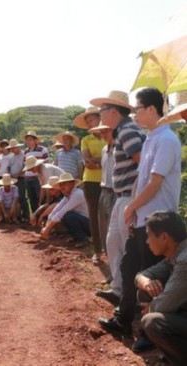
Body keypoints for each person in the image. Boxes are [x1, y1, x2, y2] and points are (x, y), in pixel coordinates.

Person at [101, 88, 182, 351]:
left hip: (158, 219)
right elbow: (141, 178)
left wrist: (133, 204)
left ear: (151, 109)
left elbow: (156, 183)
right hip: (141, 217)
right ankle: (123, 319)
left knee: (151, 277)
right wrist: (132, 208)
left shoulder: (167, 140)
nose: (134, 113)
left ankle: (149, 331)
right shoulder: (150, 139)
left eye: (138, 108)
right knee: (129, 268)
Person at [88, 91, 145, 336]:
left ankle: (130, 303)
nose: (100, 117)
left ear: (114, 111)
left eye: (102, 112)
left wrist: (135, 198)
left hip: (128, 197)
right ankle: (119, 289)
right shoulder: (123, 130)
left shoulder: (128, 130)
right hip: (121, 196)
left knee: (126, 248)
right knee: (113, 242)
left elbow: (143, 162)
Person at [135, 211, 187, 365]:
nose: (147, 241)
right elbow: (142, 275)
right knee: (145, 290)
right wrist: (146, 283)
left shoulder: (184, 260)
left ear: (164, 237)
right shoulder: (175, 254)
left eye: (149, 235)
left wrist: (151, 307)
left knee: (153, 322)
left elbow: (163, 305)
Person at [74, 107, 107, 265]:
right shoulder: (86, 139)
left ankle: (110, 249)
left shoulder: (108, 135)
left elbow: (111, 157)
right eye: (87, 122)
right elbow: (87, 162)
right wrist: (101, 160)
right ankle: (98, 251)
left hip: (108, 181)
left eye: (91, 120)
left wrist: (98, 161)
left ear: (100, 119)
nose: (89, 124)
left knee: (109, 216)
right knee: (94, 216)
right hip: (91, 181)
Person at [88, 121, 116, 264]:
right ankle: (112, 268)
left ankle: (117, 272)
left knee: (114, 234)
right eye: (102, 131)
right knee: (104, 230)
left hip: (115, 192)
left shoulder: (121, 148)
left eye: (106, 131)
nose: (103, 134)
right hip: (104, 190)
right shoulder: (105, 149)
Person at [40, 173, 90, 245]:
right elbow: (56, 210)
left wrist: (47, 228)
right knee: (64, 216)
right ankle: (76, 236)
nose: (62, 187)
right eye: (60, 184)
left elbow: (62, 211)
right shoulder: (67, 196)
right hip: (84, 222)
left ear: (72, 184)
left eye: (64, 184)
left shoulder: (77, 194)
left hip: (89, 224)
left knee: (68, 215)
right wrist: (47, 225)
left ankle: (83, 238)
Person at [23, 131, 48, 216]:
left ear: (35, 140)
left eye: (30, 139)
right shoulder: (25, 152)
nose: (28, 141)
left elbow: (47, 161)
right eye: (27, 140)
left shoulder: (42, 149)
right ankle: (35, 216)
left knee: (40, 197)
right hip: (28, 177)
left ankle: (42, 216)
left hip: (38, 177)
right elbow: (25, 164)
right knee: (31, 198)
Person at [8, 139, 29, 222]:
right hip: (13, 179)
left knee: (22, 197)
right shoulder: (12, 157)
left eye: (14, 148)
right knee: (15, 197)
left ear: (17, 147)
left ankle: (26, 216)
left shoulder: (24, 155)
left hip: (21, 178)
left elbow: (25, 167)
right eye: (11, 148)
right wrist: (10, 174)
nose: (12, 150)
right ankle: (18, 215)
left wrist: (17, 175)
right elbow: (9, 167)